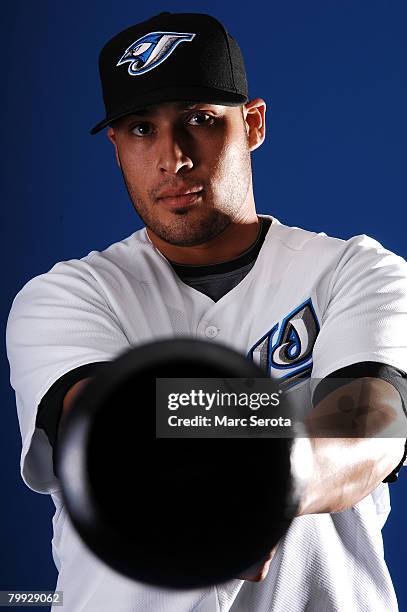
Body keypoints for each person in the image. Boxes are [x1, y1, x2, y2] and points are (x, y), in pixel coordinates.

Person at [5, 11, 407, 612]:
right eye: (142, 128)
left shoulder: (360, 272)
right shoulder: (65, 296)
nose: (173, 158)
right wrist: (292, 409)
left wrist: (263, 488)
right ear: (116, 148)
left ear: (253, 124)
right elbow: (104, 430)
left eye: (199, 120)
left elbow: (373, 429)